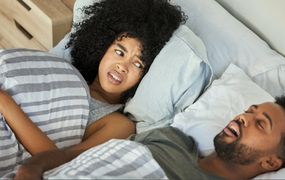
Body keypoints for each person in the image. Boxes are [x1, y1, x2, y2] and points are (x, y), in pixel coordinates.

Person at [0, 0, 186, 174]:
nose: (123, 66)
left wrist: (5, 102)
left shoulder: (119, 124)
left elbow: (62, 162)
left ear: (145, 76)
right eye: (119, 52)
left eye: (137, 64)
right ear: (102, 47)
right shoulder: (63, 74)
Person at [14, 95, 285, 179]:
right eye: (249, 110)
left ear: (271, 162)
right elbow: (71, 157)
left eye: (260, 124)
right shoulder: (169, 137)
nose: (244, 117)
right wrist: (31, 169)